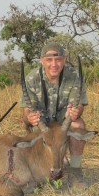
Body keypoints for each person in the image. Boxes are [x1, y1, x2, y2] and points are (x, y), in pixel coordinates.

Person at [20, 42, 88, 183]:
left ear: (65, 59)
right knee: (36, 129)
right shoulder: (32, 79)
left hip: (64, 121)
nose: (54, 64)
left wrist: (76, 112)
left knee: (78, 124)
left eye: (58, 60)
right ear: (41, 60)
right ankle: (45, 166)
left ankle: (75, 171)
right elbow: (26, 111)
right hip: (43, 123)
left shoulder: (75, 75)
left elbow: (79, 105)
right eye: (49, 60)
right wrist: (30, 117)